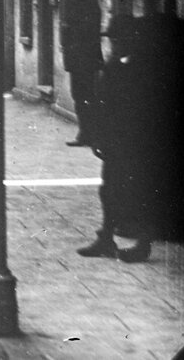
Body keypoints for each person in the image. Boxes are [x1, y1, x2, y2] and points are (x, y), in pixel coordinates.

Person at [78, 18, 157, 262]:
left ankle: (143, 244)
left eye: (116, 40)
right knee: (108, 190)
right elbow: (101, 106)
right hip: (114, 142)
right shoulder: (112, 66)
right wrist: (97, 138)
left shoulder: (143, 68)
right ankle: (105, 239)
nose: (112, 44)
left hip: (136, 143)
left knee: (139, 192)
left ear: (129, 40)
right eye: (111, 40)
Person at [58, 0, 103, 147]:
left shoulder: (88, 3)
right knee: (79, 96)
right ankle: (85, 133)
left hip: (86, 57)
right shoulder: (74, 2)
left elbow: (87, 29)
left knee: (88, 96)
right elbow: (67, 27)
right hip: (76, 58)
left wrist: (70, 29)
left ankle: (90, 134)